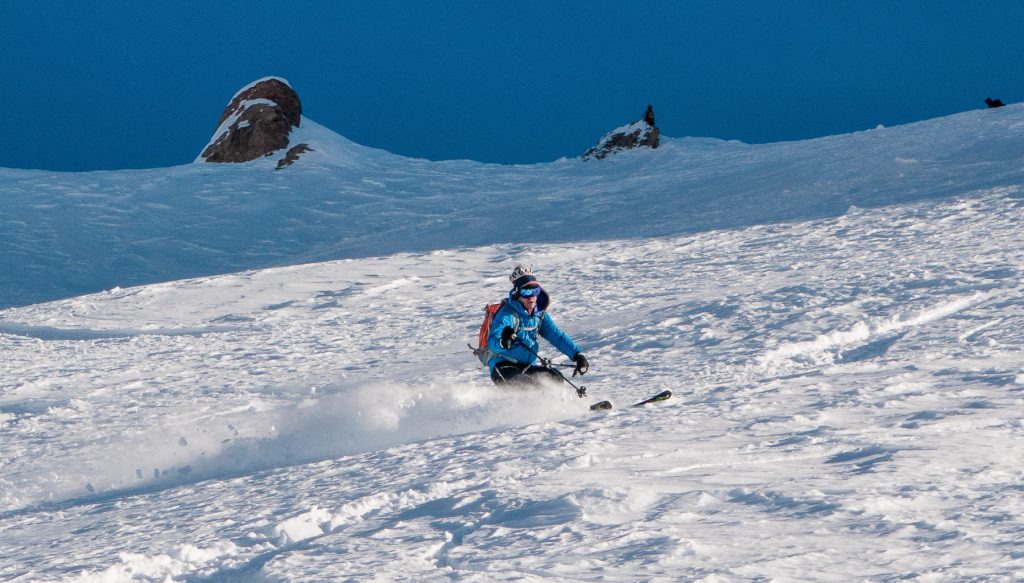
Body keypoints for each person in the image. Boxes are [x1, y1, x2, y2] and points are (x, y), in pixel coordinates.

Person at [487, 265, 590, 385]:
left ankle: (565, 403)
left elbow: (556, 336)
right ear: (517, 294)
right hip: (503, 366)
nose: (531, 297)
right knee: (529, 385)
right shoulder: (508, 314)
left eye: (535, 291)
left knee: (555, 378)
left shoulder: (539, 315)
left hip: (526, 366)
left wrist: (577, 355)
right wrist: (503, 341)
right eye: (526, 292)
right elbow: (492, 342)